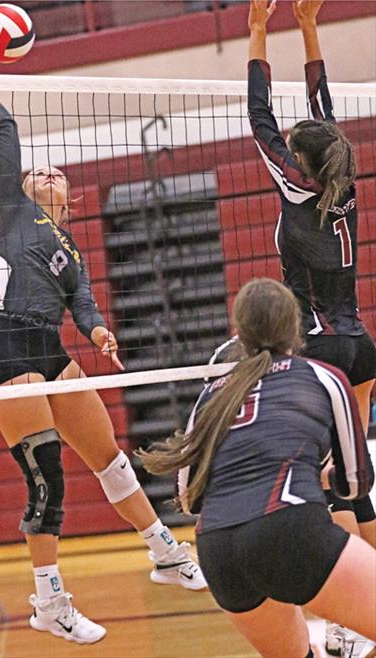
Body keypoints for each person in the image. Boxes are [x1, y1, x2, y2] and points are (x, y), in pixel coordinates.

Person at [0, 59, 207, 645]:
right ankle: (49, 601)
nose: (46, 171)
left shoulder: (70, 249)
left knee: (111, 459)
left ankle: (164, 552)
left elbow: (85, 305)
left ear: (68, 201)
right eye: (38, 171)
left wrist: (97, 334)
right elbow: (9, 136)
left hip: (49, 346)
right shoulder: (11, 209)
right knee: (48, 481)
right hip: (4, 347)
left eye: (57, 172)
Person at [139, 277, 376, 658]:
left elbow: (188, 498)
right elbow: (356, 483)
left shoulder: (211, 395)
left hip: (219, 550)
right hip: (290, 527)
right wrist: (319, 476)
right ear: (294, 326)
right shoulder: (323, 377)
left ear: (240, 334)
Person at [246, 1, 376, 651]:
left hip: (320, 349)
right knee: (359, 475)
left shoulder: (294, 185)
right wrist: (307, 24)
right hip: (362, 346)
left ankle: (348, 624)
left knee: (330, 482)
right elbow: (323, 111)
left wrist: (258, 29)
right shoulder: (342, 179)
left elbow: (259, 116)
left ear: (297, 160)